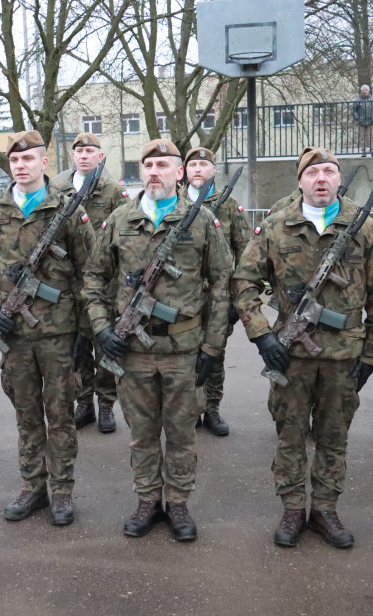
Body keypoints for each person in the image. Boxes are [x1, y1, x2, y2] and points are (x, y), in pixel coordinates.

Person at [232, 148, 373, 549]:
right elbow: (243, 284)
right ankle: (291, 508)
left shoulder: (365, 229)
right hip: (291, 357)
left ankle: (324, 509)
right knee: (289, 436)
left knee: (333, 436)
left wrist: (372, 357)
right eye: (313, 173)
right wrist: (263, 335)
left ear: (339, 180)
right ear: (300, 181)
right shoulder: (274, 228)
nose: (321, 179)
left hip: (344, 358)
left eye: (329, 172)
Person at [83, 139, 231, 540]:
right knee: (142, 432)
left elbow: (221, 285)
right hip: (132, 351)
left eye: (163, 165)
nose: (154, 172)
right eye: (148, 165)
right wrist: (101, 328)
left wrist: (213, 349)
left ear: (179, 172)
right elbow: (94, 278)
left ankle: (179, 504)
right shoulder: (119, 219)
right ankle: (148, 500)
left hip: (184, 350)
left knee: (181, 431)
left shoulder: (201, 221)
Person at [0, 130, 90, 525]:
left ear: (45, 163)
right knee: (26, 414)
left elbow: (88, 271)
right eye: (14, 161)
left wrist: (83, 331)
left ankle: (61, 491)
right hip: (15, 334)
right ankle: (32, 487)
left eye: (28, 160)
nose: (21, 166)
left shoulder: (69, 208)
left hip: (58, 333)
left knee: (59, 414)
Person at [52, 133, 128, 434]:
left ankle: (107, 403)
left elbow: (124, 235)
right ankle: (84, 402)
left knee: (104, 343)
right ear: (73, 156)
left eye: (90, 151)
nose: (84, 156)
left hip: (104, 283)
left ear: (100, 156)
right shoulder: (58, 188)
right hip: (69, 283)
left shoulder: (113, 191)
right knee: (77, 347)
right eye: (79, 151)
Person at [184, 146, 249, 437]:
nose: (198, 169)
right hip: (181, 297)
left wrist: (237, 298)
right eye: (192, 165)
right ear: (184, 172)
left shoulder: (229, 205)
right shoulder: (173, 204)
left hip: (217, 297)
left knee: (215, 354)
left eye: (203, 164)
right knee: (183, 354)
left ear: (213, 170)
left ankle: (211, 408)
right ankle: (190, 409)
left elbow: (245, 252)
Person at [352, 85, 373, 158]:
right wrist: (358, 119)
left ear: (368, 90)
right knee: (362, 137)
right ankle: (363, 151)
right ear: (361, 91)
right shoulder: (357, 100)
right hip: (361, 121)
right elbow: (354, 111)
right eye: (363, 90)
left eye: (366, 90)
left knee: (372, 136)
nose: (364, 91)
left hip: (371, 121)